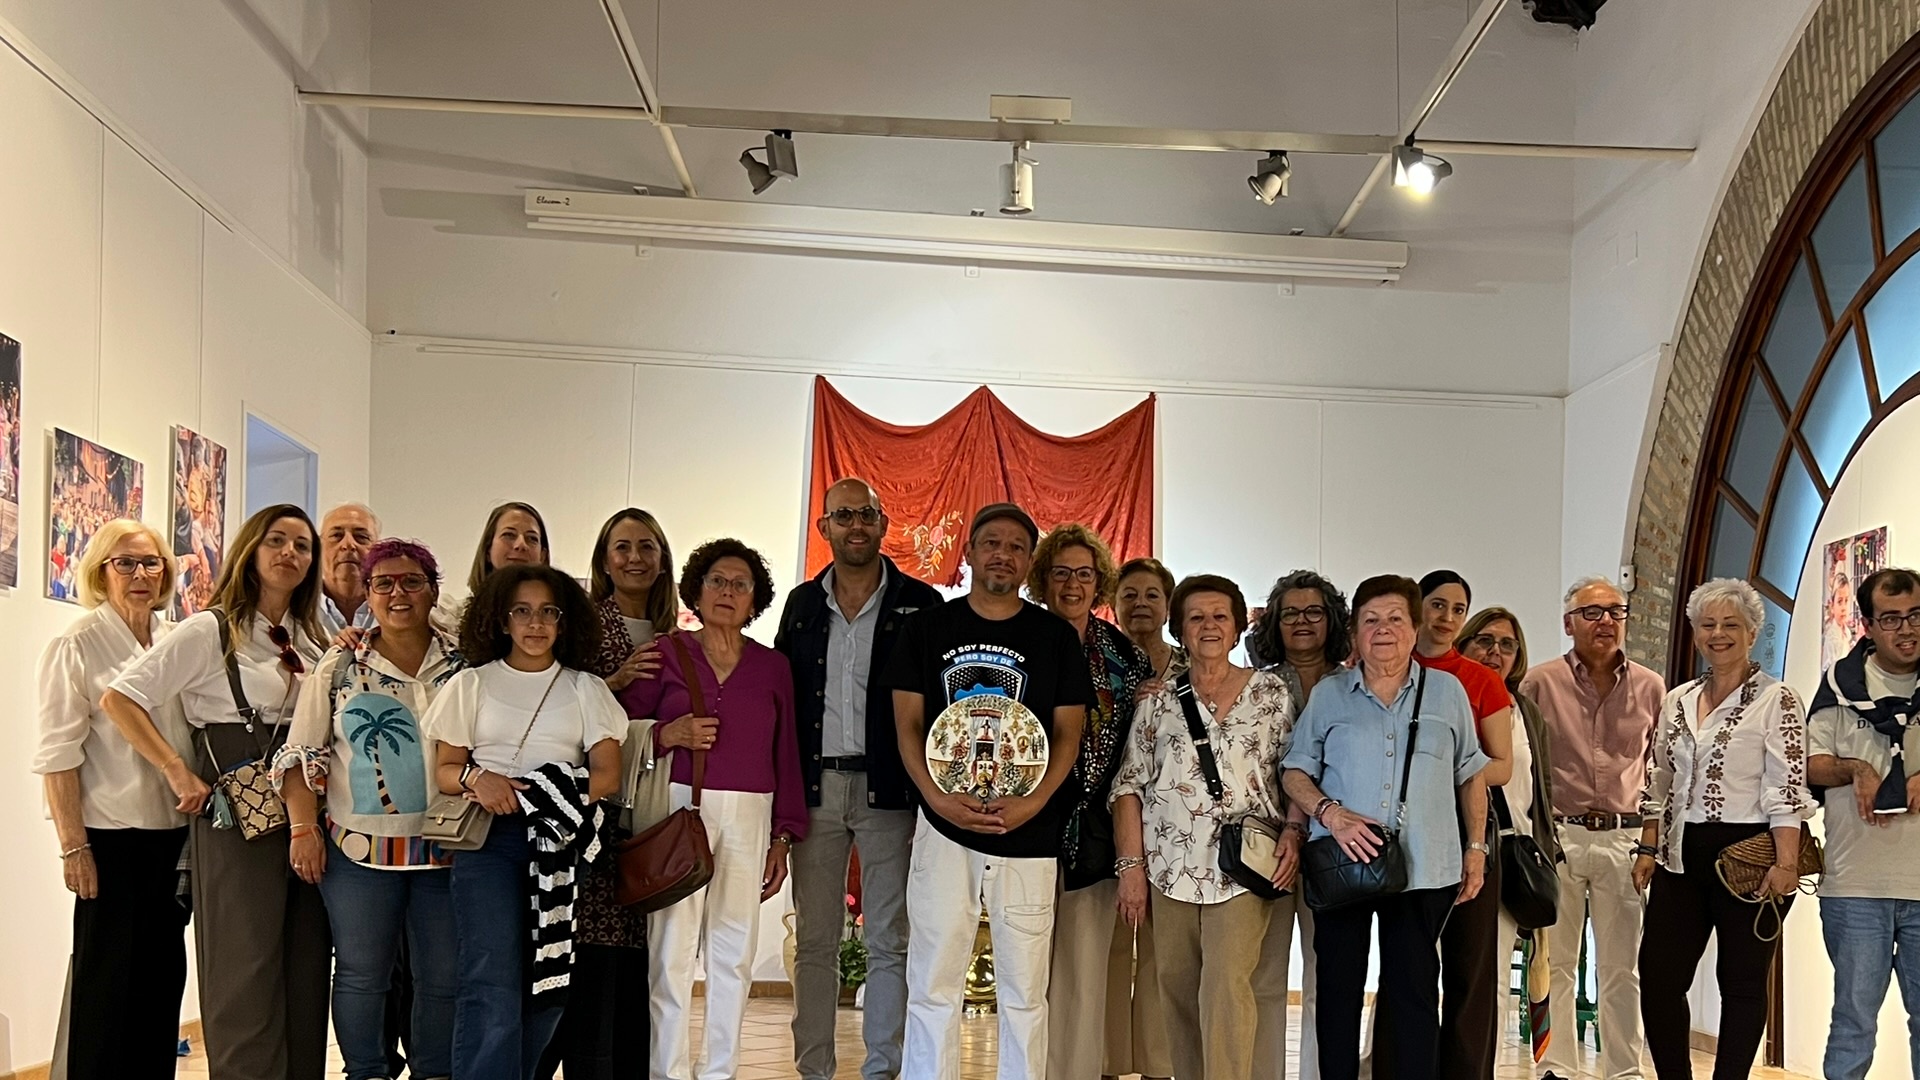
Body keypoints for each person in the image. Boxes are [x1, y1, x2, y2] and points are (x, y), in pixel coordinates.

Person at [102, 504, 332, 1080]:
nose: (290, 554)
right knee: (243, 969)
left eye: (302, 546)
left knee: (305, 967)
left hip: (306, 812)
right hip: (238, 815)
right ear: (250, 551)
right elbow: (121, 698)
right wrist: (177, 770)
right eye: (276, 541)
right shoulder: (210, 629)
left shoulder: (312, 636)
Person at [886, 502, 1093, 1080]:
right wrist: (934, 796)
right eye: (991, 542)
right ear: (970, 552)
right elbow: (907, 723)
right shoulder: (926, 628)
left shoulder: (1053, 636)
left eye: (1016, 546)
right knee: (932, 980)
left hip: (1029, 834)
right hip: (943, 826)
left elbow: (1068, 734)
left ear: (1029, 562)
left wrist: (1034, 800)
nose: (1002, 553)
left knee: (1026, 991)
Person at [1281, 574, 1490, 1080]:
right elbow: (1294, 770)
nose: (1383, 630)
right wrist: (1330, 813)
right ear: (1354, 631)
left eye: (1395, 618)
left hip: (1425, 870)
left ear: (1415, 628)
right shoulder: (1331, 695)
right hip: (1341, 865)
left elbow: (1471, 775)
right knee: (1337, 994)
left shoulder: (1448, 692)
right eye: (1370, 620)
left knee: (1414, 996)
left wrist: (1477, 847)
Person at [267, 538, 462, 1080]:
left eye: (412, 581)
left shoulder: (463, 664)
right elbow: (302, 753)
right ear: (368, 595)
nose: (398, 593)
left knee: (442, 977)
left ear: (432, 590)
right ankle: (366, 1072)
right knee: (360, 974)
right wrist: (302, 829)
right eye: (384, 583)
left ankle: (434, 1073)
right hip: (356, 850)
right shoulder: (340, 665)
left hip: (446, 850)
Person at [423, 564, 626, 1080]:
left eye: (548, 612)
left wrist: (541, 792)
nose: (535, 624)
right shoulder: (472, 684)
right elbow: (446, 770)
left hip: (557, 841)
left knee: (549, 982)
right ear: (502, 620)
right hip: (488, 841)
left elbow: (607, 776)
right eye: (522, 611)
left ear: (564, 622)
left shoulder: (586, 689)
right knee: (491, 980)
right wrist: (476, 778)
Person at [775, 480, 942, 1080]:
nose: (856, 525)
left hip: (890, 792)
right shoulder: (800, 605)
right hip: (816, 789)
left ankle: (881, 1070)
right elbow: (784, 701)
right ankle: (813, 1069)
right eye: (843, 515)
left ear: (883, 523)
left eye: (866, 514)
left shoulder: (922, 603)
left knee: (888, 939)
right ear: (824, 528)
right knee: (816, 940)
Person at [626, 538, 807, 1080]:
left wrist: (784, 835)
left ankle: (719, 1072)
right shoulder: (666, 652)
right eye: (717, 582)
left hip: (753, 816)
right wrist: (666, 733)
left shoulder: (774, 667)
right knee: (671, 954)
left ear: (755, 599)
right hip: (681, 811)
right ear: (696, 591)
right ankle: (667, 1072)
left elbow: (788, 753)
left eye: (741, 584)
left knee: (734, 953)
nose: (728, 592)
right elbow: (616, 730)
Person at [1112, 573, 1303, 1080]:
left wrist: (1295, 832)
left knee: (1224, 987)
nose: (1209, 626)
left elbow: (1297, 773)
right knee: (1174, 988)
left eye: (1220, 616)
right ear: (1180, 629)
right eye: (1196, 617)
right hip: (1168, 867)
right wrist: (1131, 868)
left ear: (1239, 627)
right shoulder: (1156, 702)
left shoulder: (1272, 695)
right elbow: (1128, 786)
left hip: (1243, 867)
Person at [1634, 577, 1812, 1080]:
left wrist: (1786, 863)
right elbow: (1659, 779)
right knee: (1660, 977)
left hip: (1749, 855)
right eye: (1707, 624)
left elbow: (1787, 787)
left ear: (1752, 631)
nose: (1719, 634)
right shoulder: (1678, 699)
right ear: (1694, 633)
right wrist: (1647, 848)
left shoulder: (1777, 700)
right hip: (1679, 855)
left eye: (1731, 624)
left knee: (1741, 981)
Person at [32, 521, 191, 1080]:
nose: (141, 574)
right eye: (125, 564)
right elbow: (58, 756)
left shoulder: (178, 639)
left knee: (162, 983)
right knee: (107, 990)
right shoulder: (76, 645)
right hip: (109, 844)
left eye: (151, 563)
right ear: (101, 572)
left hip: (175, 840)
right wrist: (74, 848)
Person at [537, 508, 674, 1080]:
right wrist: (610, 684)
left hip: (653, 816)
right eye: (622, 547)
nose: (635, 557)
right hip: (591, 814)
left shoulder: (680, 632)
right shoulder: (584, 624)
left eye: (647, 546)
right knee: (591, 964)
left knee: (640, 964)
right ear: (603, 560)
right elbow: (549, 701)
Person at [1034, 525, 1171, 1080]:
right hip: (1030, 823)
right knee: (1045, 967)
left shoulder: (1121, 654)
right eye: (1061, 573)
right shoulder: (1021, 638)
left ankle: (1092, 1069)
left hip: (1103, 824)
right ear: (1043, 580)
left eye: (1084, 574)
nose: (1072, 584)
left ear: (1100, 583)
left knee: (1093, 961)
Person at [1519, 575, 1665, 1080]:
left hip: (1624, 841)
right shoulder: (1538, 683)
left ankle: (1624, 1070)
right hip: (1560, 836)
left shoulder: (1650, 686)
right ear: (1568, 623)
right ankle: (1555, 1069)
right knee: (1555, 962)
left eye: (1615, 612)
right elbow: (1526, 767)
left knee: (1622, 968)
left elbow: (1658, 773)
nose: (1605, 621)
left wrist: (1649, 844)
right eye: (1592, 612)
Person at [1376, 570, 1511, 1080]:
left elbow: (1500, 765)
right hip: (1397, 832)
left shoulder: (1478, 680)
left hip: (1467, 826)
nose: (1447, 618)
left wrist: (1447, 773)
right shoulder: (1383, 668)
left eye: (1458, 609)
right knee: (1403, 965)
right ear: (1417, 610)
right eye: (1437, 605)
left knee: (1469, 969)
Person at [1808, 566, 1920, 1080]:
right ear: (1869, 626)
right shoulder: (1837, 686)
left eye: (1916, 615)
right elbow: (1809, 765)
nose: (1906, 629)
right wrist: (1854, 768)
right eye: (1892, 618)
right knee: (1854, 1023)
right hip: (1855, 885)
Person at [1245, 569, 1354, 1080]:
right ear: (1275, 622)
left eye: (1314, 612)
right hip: (1268, 843)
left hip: (1333, 844)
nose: (1303, 622)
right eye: (1291, 613)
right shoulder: (1256, 685)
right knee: (1265, 975)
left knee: (1325, 974)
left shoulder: (1353, 682)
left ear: (1332, 619)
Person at [1457, 606, 1562, 1044]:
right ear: (1462, 645)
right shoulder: (1447, 700)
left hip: (1508, 855)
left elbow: (1540, 787)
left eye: (1507, 644)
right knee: (1426, 974)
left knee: (1492, 978)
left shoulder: (1525, 712)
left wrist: (1547, 847)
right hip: (1450, 850)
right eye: (1484, 640)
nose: (1495, 652)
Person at [1117, 557, 1185, 681]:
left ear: (1168, 607)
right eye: (1129, 595)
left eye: (1152, 596)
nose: (1140, 603)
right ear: (1113, 607)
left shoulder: (1193, 666)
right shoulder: (1098, 663)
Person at [318, 503, 380, 639]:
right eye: (336, 535)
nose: (348, 545)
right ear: (319, 548)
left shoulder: (394, 608)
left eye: (361, 537)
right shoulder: (296, 609)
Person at [465, 501, 552, 597]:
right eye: (509, 535)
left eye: (532, 538)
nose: (521, 544)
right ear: (488, 549)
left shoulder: (563, 610)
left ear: (542, 556)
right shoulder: (456, 611)